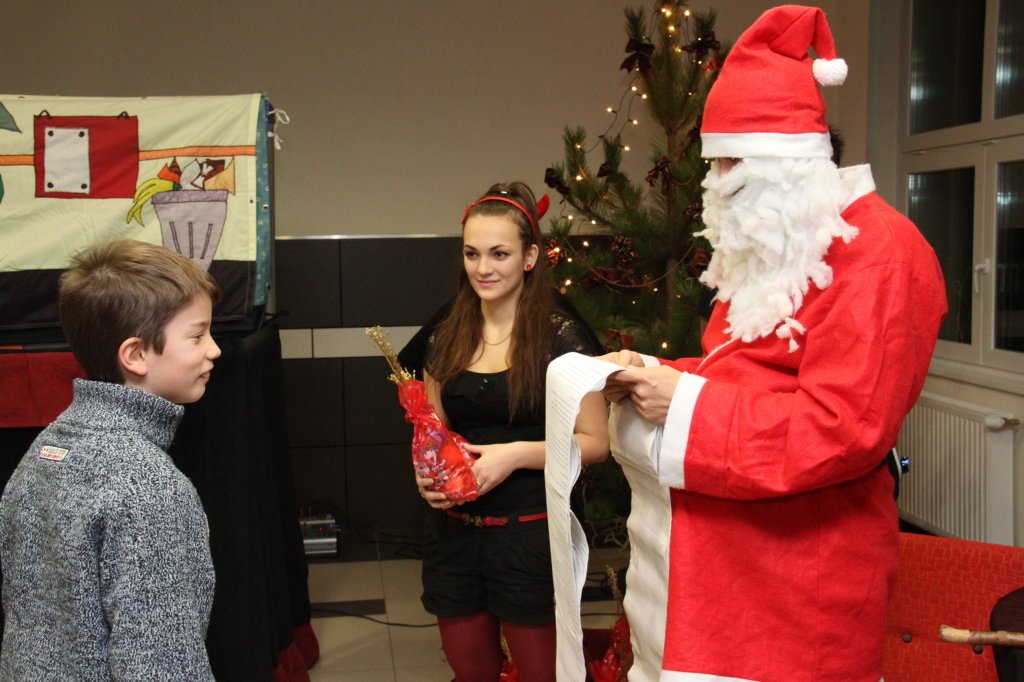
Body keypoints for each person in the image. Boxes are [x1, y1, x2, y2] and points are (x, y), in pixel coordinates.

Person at [602, 6, 947, 681]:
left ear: (790, 163)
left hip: (796, 596)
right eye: (716, 162)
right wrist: (656, 372)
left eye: (736, 163)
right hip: (725, 578)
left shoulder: (879, 254)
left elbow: (843, 428)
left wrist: (683, 403)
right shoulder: (781, 242)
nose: (719, 183)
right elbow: (743, 370)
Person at [0, 239, 221, 680]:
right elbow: (159, 662)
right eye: (197, 335)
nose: (213, 349)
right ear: (136, 355)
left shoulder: (47, 449)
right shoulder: (149, 486)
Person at [416, 181, 609, 682]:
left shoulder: (560, 337)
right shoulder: (445, 336)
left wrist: (516, 455)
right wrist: (426, 474)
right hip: (455, 537)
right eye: (472, 254)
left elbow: (595, 442)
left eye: (498, 254)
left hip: (530, 536)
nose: (483, 268)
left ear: (530, 257)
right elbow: (433, 433)